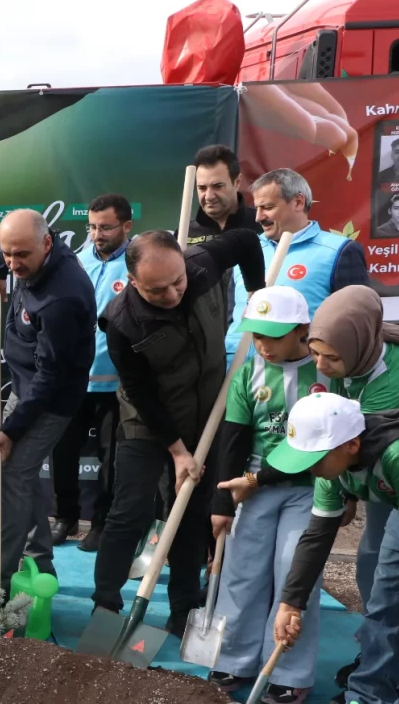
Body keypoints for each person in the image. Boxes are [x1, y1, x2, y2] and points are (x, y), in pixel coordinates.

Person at [93, 227, 265, 634]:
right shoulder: (121, 322)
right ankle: (105, 606)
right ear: (133, 281)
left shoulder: (201, 264)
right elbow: (141, 393)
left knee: (191, 512)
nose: (172, 295)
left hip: (204, 412)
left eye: (177, 283)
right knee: (130, 511)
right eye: (157, 291)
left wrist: (259, 293)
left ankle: (184, 608)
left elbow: (244, 240)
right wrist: (177, 451)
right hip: (147, 420)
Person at [302, 284, 399, 688]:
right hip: (393, 469)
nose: (321, 366)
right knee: (377, 573)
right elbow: (339, 444)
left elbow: (354, 447)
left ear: (359, 345)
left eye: (331, 357)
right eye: (315, 353)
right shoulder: (346, 356)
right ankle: (377, 671)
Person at [266, 393, 399, 704]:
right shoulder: (332, 468)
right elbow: (316, 537)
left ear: (352, 445)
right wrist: (291, 603)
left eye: (313, 459)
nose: (310, 469)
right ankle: (368, 694)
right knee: (384, 604)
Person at [207, 286, 331, 704]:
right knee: (242, 570)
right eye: (256, 336)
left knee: (293, 571)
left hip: (309, 489)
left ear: (302, 331)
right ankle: (233, 659)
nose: (263, 346)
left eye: (273, 336)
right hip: (253, 485)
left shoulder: (327, 372)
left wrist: (345, 497)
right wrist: (222, 504)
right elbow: (233, 439)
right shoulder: (248, 372)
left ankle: (287, 670)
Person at [0, 208, 95, 580]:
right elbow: (15, 243)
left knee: (11, 477)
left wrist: (12, 430)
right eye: (6, 253)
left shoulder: (61, 298)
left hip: (51, 399)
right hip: (27, 385)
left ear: (46, 245)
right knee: (16, 476)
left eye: (21, 256)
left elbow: (51, 378)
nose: (13, 262)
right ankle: (41, 564)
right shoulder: (36, 246)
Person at [48, 194, 130, 551]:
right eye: (92, 226)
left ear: (127, 226)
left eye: (106, 227)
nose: (97, 234)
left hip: (117, 382)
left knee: (111, 458)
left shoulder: (138, 262)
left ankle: (101, 523)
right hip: (74, 379)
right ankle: (65, 518)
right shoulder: (75, 261)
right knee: (62, 451)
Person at [226, 167, 368, 362]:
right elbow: (231, 317)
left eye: (267, 207)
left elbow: (357, 323)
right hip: (238, 371)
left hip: (306, 376)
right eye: (257, 208)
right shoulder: (246, 249)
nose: (258, 217)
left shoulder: (338, 251)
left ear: (298, 202)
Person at [187, 144, 260, 244]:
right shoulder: (185, 233)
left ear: (237, 182)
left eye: (217, 186)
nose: (209, 196)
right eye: (202, 188)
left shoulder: (262, 226)